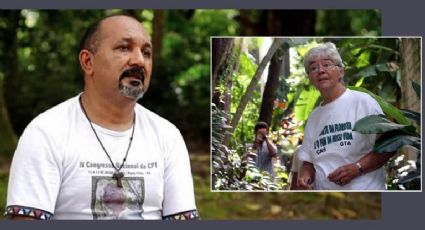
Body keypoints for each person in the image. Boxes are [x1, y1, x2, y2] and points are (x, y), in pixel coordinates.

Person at [5, 14, 199, 220]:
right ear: (88, 62)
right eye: (124, 48)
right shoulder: (47, 132)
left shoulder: (167, 136)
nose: (139, 60)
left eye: (146, 52)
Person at [297, 42, 395, 190]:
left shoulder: (363, 102)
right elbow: (308, 162)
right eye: (313, 68)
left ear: (341, 72)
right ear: (309, 77)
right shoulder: (314, 117)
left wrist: (358, 168)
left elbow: (390, 145)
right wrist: (305, 177)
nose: (320, 71)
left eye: (327, 65)